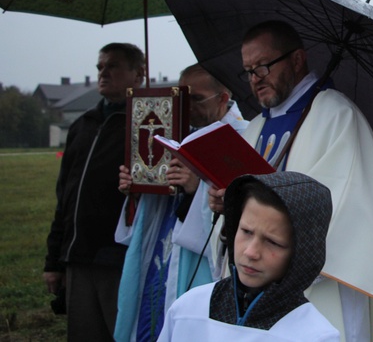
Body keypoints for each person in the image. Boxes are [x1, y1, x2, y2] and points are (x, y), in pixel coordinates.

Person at [209, 20, 373, 341]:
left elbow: (346, 215)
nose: (254, 80)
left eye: (262, 67)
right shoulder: (256, 128)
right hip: (256, 284)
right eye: (248, 72)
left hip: (319, 293)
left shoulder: (337, 117)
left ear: (297, 59)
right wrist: (225, 206)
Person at [114, 64, 249, 342]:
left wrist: (194, 190)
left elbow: (238, 214)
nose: (186, 107)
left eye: (196, 99)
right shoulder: (173, 133)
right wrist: (138, 187)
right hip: (160, 255)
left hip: (201, 264)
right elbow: (144, 222)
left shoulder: (242, 138)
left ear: (223, 98)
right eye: (181, 98)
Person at [158, 171, 339, 341]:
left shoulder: (315, 336)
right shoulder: (188, 310)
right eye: (246, 231)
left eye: (273, 242)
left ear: (301, 254)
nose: (251, 252)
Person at [43, 42, 145, 341]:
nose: (103, 73)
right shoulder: (82, 125)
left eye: (112, 66)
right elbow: (65, 199)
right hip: (77, 257)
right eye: (100, 67)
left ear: (138, 73)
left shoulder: (147, 126)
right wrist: (54, 261)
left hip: (119, 259)